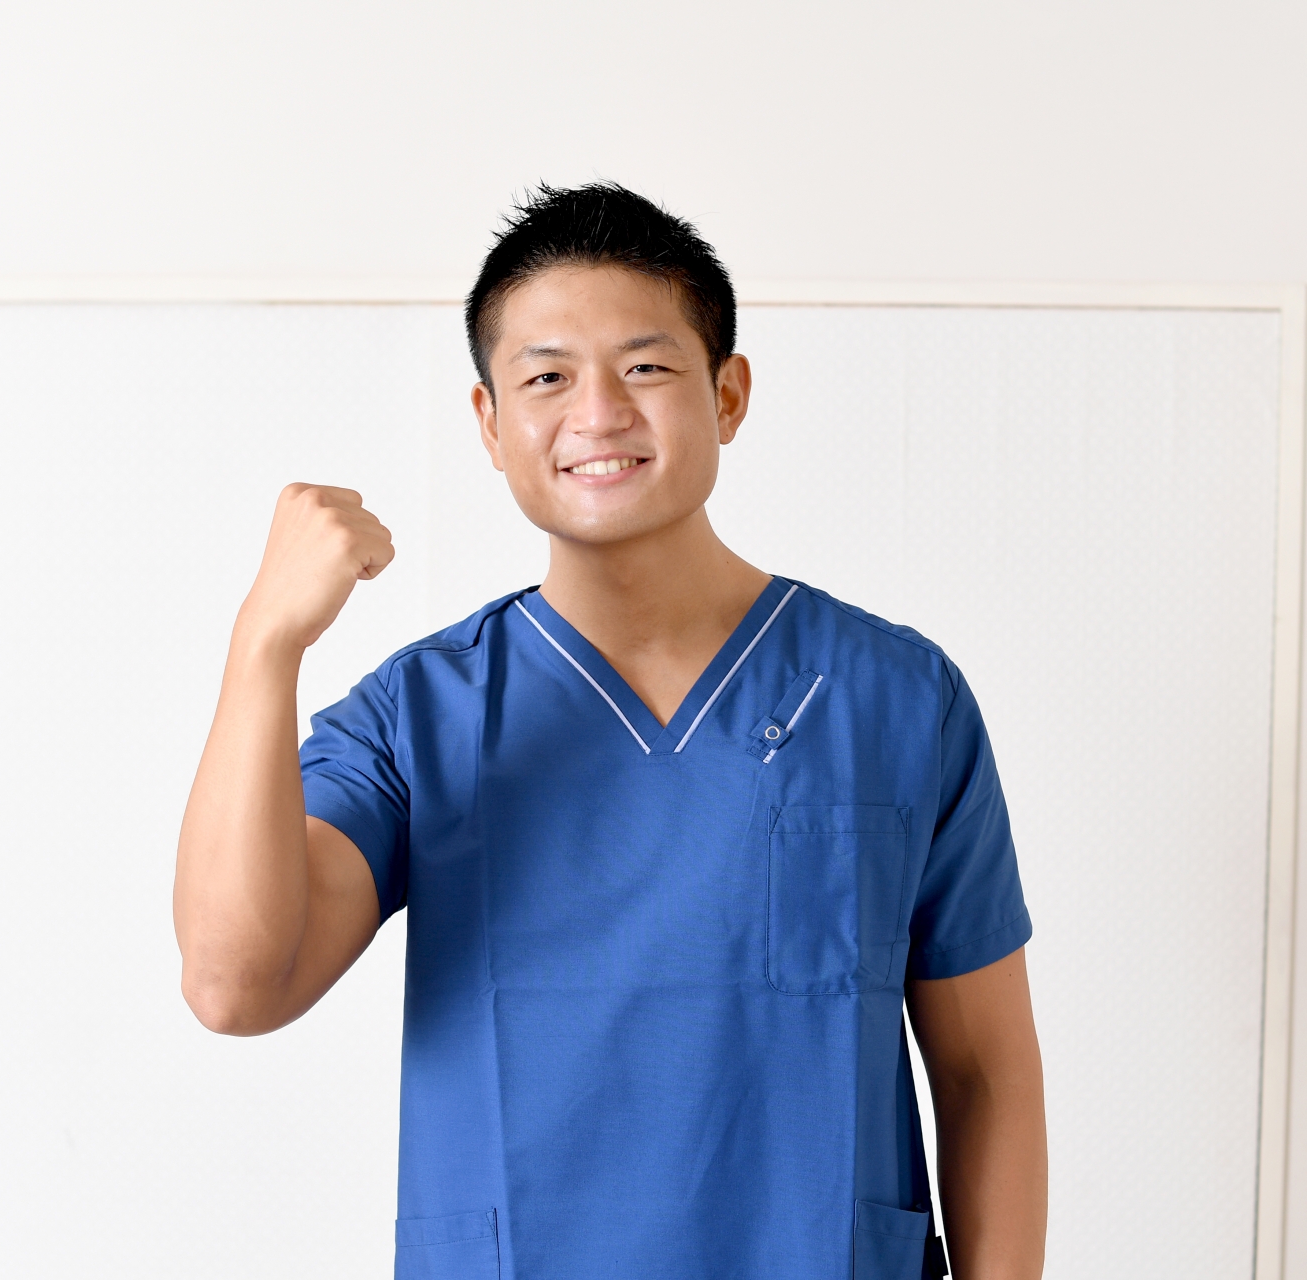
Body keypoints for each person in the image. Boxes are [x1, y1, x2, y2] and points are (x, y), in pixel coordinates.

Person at [173, 183, 1046, 1280]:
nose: (597, 414)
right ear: (491, 424)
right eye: (546, 377)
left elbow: (984, 1073)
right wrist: (265, 644)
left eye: (644, 367)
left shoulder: (897, 697)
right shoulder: (421, 717)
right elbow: (235, 986)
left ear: (728, 394)